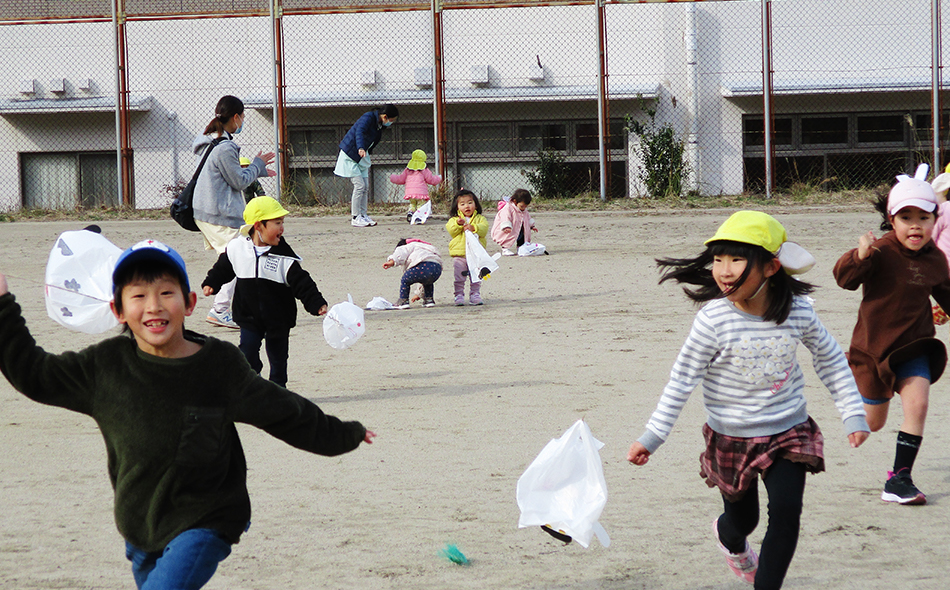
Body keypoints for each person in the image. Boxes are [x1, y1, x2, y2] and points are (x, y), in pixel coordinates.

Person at [0, 239, 375, 590]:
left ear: (190, 302)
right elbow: (35, 374)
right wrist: (2, 307)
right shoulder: (106, 367)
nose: (154, 306)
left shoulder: (219, 365)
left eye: (166, 293)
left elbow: (283, 411)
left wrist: (345, 433)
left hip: (207, 519)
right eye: (138, 296)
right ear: (117, 309)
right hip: (140, 523)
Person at [627, 211, 869, 590]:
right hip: (731, 437)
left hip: (788, 431)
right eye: (718, 259)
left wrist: (853, 413)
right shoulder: (713, 321)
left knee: (786, 513)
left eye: (737, 259)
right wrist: (652, 436)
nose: (723, 270)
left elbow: (830, 359)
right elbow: (682, 380)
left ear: (771, 267)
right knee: (744, 521)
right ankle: (731, 540)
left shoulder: (797, 311)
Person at [834, 166, 950, 506]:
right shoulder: (881, 251)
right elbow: (844, 279)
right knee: (873, 421)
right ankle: (848, 376)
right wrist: (860, 255)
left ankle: (899, 478)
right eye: (905, 217)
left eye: (924, 217)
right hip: (873, 351)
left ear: (935, 220)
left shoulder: (936, 260)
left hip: (914, 347)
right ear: (891, 220)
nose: (915, 225)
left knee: (918, 404)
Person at [202, 196, 328, 388]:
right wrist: (212, 282)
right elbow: (223, 267)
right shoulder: (237, 248)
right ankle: (253, 384)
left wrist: (316, 303)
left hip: (278, 318)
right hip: (249, 316)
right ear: (258, 226)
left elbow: (303, 283)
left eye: (282, 222)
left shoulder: (284, 257)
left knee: (278, 357)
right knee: (247, 352)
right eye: (277, 223)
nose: (282, 228)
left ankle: (278, 389)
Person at [192, 95, 275, 328]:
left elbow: (231, 176)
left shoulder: (213, 140)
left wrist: (258, 170)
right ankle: (220, 309)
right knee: (239, 256)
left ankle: (230, 307)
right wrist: (257, 165)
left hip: (209, 211)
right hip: (219, 213)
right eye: (243, 117)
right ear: (236, 117)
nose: (243, 122)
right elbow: (239, 181)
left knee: (234, 256)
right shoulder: (225, 146)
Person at [334, 104, 399, 228]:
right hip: (351, 155)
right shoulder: (368, 117)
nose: (391, 123)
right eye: (391, 120)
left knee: (365, 186)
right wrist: (361, 147)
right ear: (385, 116)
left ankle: (363, 215)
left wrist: (365, 151)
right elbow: (359, 132)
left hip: (361, 157)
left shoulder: (379, 125)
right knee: (360, 186)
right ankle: (355, 217)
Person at [445, 189, 489, 306]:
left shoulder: (480, 218)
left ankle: (475, 294)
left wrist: (474, 227)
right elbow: (451, 230)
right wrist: (459, 225)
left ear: (475, 204)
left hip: (475, 254)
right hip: (460, 254)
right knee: (459, 276)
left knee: (476, 275)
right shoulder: (454, 220)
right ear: (457, 207)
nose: (467, 206)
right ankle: (458, 295)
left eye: (470, 202)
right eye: (462, 204)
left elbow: (484, 229)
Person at [383, 238, 443, 309]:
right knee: (427, 281)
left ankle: (403, 300)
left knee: (405, 280)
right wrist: (419, 294)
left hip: (422, 264)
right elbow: (422, 278)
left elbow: (400, 253)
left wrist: (392, 261)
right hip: (437, 269)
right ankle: (429, 300)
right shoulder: (428, 248)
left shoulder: (407, 246)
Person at [389, 150, 442, 224]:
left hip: (410, 193)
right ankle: (418, 217)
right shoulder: (424, 170)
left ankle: (410, 212)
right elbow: (431, 180)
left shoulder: (408, 170)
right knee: (421, 205)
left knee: (413, 204)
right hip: (421, 193)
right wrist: (439, 178)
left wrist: (392, 177)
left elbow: (401, 179)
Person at [491, 188, 538, 255]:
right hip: (510, 227)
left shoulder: (524, 210)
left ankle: (521, 248)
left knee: (522, 236)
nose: (524, 208)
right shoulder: (508, 208)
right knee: (507, 237)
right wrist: (506, 225)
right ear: (515, 201)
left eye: (525, 206)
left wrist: (532, 225)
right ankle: (505, 249)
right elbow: (505, 217)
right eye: (522, 206)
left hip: (520, 227)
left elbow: (527, 217)